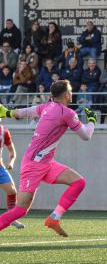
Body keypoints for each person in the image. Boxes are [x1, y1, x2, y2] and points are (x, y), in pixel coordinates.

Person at [0, 80, 97, 237]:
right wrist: (92, 121)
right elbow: (86, 135)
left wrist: (7, 113)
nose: (72, 93)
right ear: (66, 95)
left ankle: (54, 218)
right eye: (71, 91)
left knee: (79, 182)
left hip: (46, 163)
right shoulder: (67, 113)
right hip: (33, 164)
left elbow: (23, 112)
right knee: (20, 210)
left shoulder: (46, 106)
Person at [0, 120, 24, 229]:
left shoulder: (4, 131)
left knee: (12, 191)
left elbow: (12, 152)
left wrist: (11, 162)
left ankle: (11, 218)